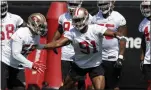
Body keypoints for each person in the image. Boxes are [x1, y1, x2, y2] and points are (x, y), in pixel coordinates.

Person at [42, 7, 127, 90]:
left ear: (86, 19)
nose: (77, 23)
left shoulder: (95, 29)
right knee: (65, 87)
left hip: (95, 65)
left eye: (79, 20)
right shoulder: (72, 32)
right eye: (75, 20)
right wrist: (41, 46)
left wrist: (118, 35)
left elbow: (112, 33)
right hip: (79, 65)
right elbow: (58, 43)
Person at [52, 1, 92, 89]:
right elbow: (60, 30)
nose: (72, 7)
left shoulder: (87, 16)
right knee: (66, 81)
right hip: (66, 53)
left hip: (80, 53)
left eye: (74, 4)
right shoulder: (63, 17)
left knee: (80, 80)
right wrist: (54, 41)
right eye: (71, 4)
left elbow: (92, 32)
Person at [1, 13, 47, 90]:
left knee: (20, 88)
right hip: (5, 62)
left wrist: (50, 46)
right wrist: (31, 64)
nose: (42, 29)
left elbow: (35, 46)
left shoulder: (36, 35)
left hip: (17, 65)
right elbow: (16, 54)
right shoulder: (21, 33)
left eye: (42, 26)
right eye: (40, 26)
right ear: (32, 24)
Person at [91, 1, 127, 90]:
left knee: (113, 86)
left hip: (112, 56)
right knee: (96, 85)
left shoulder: (118, 17)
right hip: (98, 57)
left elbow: (123, 38)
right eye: (101, 5)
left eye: (105, 4)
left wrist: (121, 56)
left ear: (110, 4)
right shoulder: (95, 18)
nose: (103, 7)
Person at [139, 1, 151, 90]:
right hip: (148, 58)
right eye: (144, 6)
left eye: (148, 6)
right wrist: (142, 58)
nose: (146, 9)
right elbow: (143, 42)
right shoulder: (143, 23)